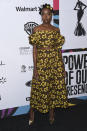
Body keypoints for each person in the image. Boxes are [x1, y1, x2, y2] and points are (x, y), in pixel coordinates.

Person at [28, 3, 69, 125]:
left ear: (51, 16)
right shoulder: (36, 29)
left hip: (54, 62)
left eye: (48, 14)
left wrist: (61, 66)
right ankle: (32, 112)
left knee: (52, 87)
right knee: (38, 88)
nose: (46, 17)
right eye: (44, 14)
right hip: (42, 63)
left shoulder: (56, 30)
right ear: (41, 15)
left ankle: (51, 112)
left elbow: (58, 50)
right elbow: (35, 49)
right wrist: (35, 68)